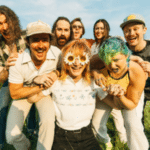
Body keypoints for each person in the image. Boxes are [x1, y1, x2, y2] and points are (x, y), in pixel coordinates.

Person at [28, 39, 124, 150]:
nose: (77, 63)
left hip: (87, 135)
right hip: (61, 136)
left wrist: (117, 93)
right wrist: (36, 81)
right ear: (64, 61)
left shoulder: (93, 83)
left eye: (82, 58)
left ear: (87, 61)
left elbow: (115, 105)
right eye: (71, 58)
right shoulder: (56, 82)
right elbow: (32, 98)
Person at [6, 20, 61, 150]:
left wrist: (55, 72)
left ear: (49, 42)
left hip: (44, 95)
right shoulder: (17, 61)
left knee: (48, 122)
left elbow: (65, 70)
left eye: (45, 40)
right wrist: (38, 83)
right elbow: (14, 93)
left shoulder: (57, 53)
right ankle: (27, 146)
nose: (41, 45)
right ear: (27, 42)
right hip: (24, 91)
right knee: (11, 136)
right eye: (35, 40)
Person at [92, 37, 149, 150]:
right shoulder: (98, 59)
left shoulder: (136, 71)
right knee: (96, 124)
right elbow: (83, 68)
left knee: (132, 124)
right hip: (107, 92)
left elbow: (131, 104)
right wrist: (95, 72)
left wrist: (121, 96)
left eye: (116, 60)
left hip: (129, 94)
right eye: (107, 61)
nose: (112, 65)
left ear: (126, 56)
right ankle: (107, 143)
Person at [91, 19, 127, 146]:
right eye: (96, 28)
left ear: (106, 30)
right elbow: (92, 65)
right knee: (113, 112)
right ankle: (110, 142)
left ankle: (123, 140)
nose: (99, 31)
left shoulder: (110, 43)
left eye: (102, 28)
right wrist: (95, 71)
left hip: (109, 83)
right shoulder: (93, 46)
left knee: (117, 113)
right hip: (97, 85)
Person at [0, 5, 27, 150]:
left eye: (6, 22)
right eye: (0, 24)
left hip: (28, 79)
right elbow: (0, 77)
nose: (4, 27)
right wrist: (6, 68)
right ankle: (0, 142)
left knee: (35, 99)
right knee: (1, 106)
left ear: (13, 22)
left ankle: (32, 130)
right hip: (9, 80)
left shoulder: (25, 36)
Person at [120, 14, 150, 126]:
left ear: (144, 30)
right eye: (127, 30)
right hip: (134, 91)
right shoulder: (122, 50)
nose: (131, 33)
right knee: (135, 123)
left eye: (135, 29)